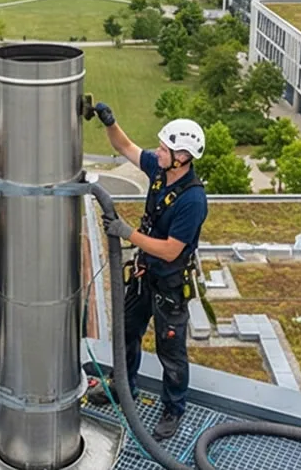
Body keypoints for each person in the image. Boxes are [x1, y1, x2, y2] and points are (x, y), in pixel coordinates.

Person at [88, 104, 208, 441]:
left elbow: (170, 250)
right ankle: (122, 386)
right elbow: (125, 146)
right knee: (126, 332)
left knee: (170, 351)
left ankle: (173, 410)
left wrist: (127, 233)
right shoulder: (159, 169)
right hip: (145, 275)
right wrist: (110, 122)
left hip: (170, 283)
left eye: (164, 148)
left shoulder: (192, 200)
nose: (158, 151)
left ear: (182, 157)